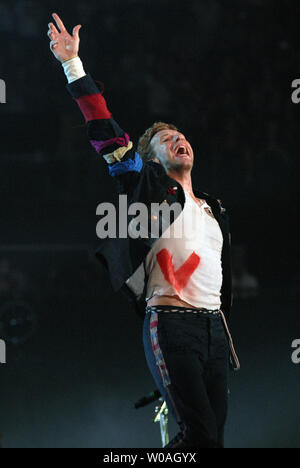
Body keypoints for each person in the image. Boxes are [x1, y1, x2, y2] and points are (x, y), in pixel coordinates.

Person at [47, 12, 240, 448]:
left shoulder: (214, 209)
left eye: (181, 135)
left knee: (211, 440)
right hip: (171, 323)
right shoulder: (150, 186)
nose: (178, 140)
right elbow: (108, 136)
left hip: (213, 330)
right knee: (201, 436)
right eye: (166, 139)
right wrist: (72, 65)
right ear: (151, 161)